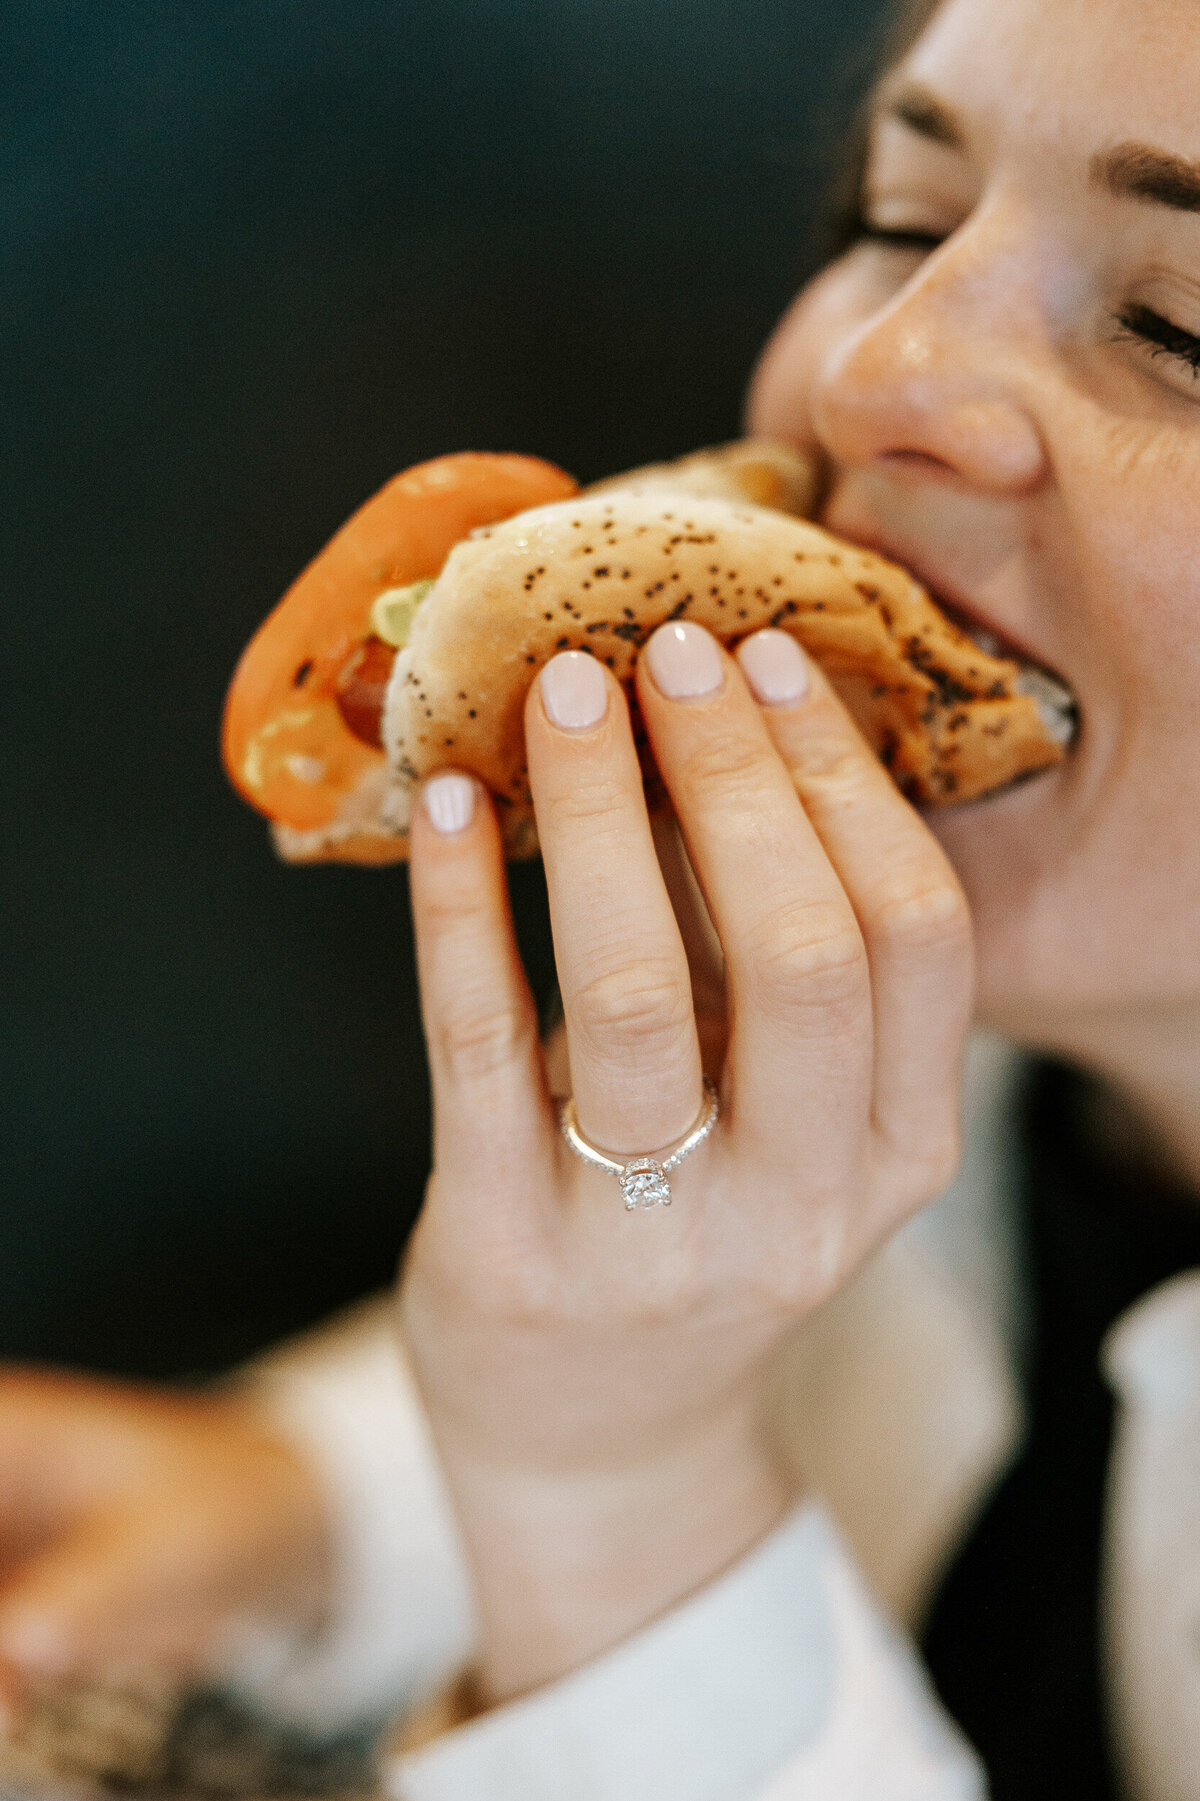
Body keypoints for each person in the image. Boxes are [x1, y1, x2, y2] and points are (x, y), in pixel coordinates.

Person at [4, 0, 1200, 1793]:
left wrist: (617, 1515)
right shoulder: (966, 1089)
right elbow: (836, 1401)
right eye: (896, 217)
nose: (870, 371)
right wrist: (319, 1503)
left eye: (1179, 324)